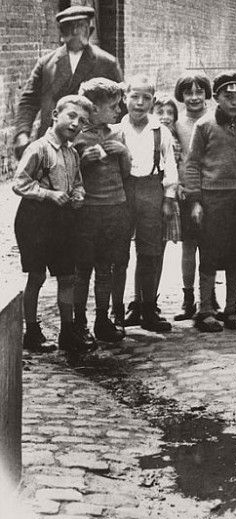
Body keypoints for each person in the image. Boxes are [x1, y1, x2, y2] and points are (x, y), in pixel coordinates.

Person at [182, 72, 236, 333]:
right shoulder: (205, 125)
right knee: (209, 253)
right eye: (228, 96)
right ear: (217, 97)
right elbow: (193, 164)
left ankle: (231, 309)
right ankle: (205, 309)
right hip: (213, 199)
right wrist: (196, 200)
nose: (234, 102)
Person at [13, 95, 91, 353]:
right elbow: (19, 183)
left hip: (62, 220)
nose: (75, 124)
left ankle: (68, 332)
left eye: (81, 121)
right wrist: (47, 194)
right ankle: (32, 331)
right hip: (35, 219)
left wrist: (78, 195)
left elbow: (77, 182)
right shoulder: (38, 148)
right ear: (55, 114)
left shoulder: (72, 152)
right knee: (36, 276)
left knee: (67, 276)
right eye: (71, 116)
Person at [13, 5, 122, 159]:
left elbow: (120, 105)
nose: (76, 33)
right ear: (63, 32)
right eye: (71, 28)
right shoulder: (46, 63)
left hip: (91, 148)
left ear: (89, 30)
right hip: (51, 144)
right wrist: (22, 134)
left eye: (81, 27)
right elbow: (28, 101)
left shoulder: (107, 62)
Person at [73, 77, 132, 345]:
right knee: (82, 269)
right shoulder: (76, 136)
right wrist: (83, 161)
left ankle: (102, 320)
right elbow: (66, 176)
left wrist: (123, 153)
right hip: (88, 212)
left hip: (115, 208)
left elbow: (126, 173)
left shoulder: (118, 133)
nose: (119, 111)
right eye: (114, 106)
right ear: (93, 108)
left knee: (106, 268)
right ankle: (78, 323)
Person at [118, 76, 177, 333]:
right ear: (124, 99)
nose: (139, 103)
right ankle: (118, 311)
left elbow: (171, 167)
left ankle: (148, 307)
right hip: (122, 192)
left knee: (150, 252)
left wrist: (168, 199)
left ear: (152, 102)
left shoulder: (160, 132)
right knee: (118, 254)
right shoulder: (115, 131)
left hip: (152, 190)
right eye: (134, 97)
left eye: (146, 98)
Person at [171, 73, 212, 320]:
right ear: (182, 96)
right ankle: (188, 299)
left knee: (211, 247)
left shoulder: (216, 119)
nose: (194, 98)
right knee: (189, 247)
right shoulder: (177, 124)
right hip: (187, 191)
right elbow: (176, 158)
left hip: (213, 190)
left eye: (199, 92)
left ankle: (209, 297)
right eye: (188, 93)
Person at [153, 94, 183, 254]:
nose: (165, 117)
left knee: (161, 245)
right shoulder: (149, 136)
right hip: (151, 192)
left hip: (169, 195)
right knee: (148, 245)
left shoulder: (176, 140)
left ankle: (156, 279)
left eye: (170, 113)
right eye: (160, 112)